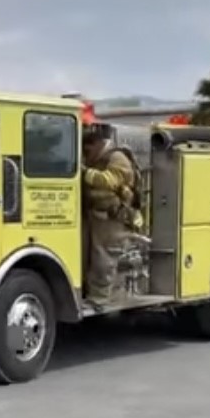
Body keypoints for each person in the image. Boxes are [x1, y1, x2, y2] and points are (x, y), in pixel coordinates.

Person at [81, 128, 142, 308]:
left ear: (98, 144)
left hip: (112, 218)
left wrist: (83, 172)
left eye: (88, 151)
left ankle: (99, 300)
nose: (86, 155)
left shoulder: (117, 158)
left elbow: (109, 180)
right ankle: (92, 295)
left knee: (103, 259)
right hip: (96, 217)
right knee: (92, 258)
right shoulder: (100, 159)